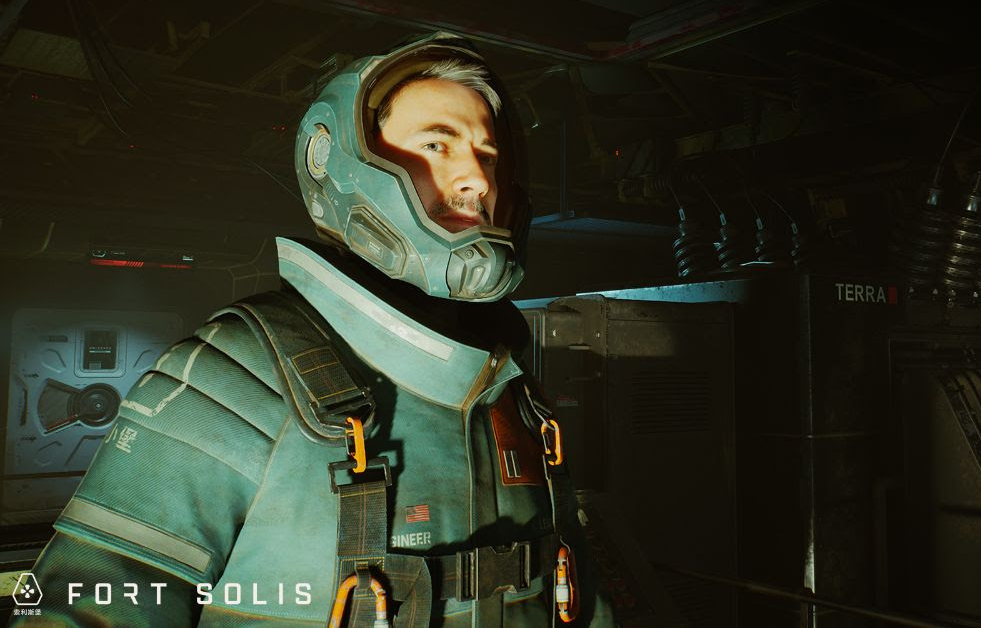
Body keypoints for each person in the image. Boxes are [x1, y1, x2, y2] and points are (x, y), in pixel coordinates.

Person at [18, 32, 612, 627]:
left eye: (488, 156)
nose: (477, 180)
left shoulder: (513, 390)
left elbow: (576, 598)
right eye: (437, 144)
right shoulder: (233, 378)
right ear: (336, 160)